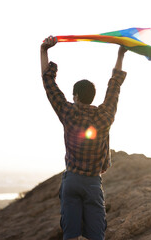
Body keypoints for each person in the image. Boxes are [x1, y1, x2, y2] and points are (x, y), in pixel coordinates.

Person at [40, 36, 127, 240]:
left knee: (70, 235)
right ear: (92, 97)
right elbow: (115, 85)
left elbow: (48, 82)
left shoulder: (68, 112)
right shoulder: (105, 115)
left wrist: (44, 50)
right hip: (92, 183)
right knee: (96, 235)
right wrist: (121, 54)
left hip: (71, 181)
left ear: (76, 96)